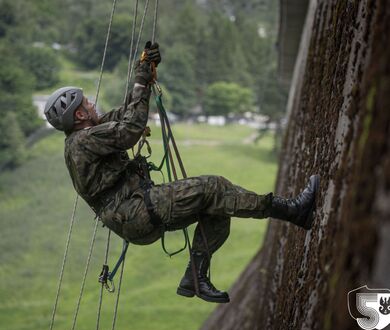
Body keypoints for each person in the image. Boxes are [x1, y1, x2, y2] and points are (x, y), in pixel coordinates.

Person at [44, 42, 319, 304]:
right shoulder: (83, 141)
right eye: (86, 103)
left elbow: (126, 114)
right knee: (214, 187)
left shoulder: (87, 134)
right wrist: (140, 81)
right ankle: (293, 211)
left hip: (135, 210)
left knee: (216, 209)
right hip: (135, 210)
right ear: (79, 116)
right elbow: (129, 129)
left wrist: (144, 76)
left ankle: (194, 279)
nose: (92, 103)